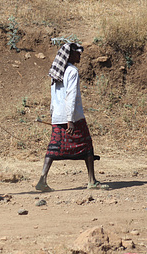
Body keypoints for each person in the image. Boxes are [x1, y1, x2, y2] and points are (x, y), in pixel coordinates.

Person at [35, 43, 108, 192]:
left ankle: (42, 180)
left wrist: (53, 114)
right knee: (87, 145)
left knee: (54, 148)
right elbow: (71, 96)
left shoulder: (56, 72)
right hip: (73, 117)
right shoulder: (72, 71)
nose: (79, 56)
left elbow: (53, 96)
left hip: (57, 115)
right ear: (70, 55)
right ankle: (92, 181)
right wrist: (70, 120)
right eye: (77, 53)